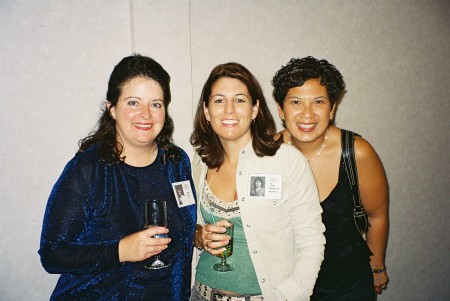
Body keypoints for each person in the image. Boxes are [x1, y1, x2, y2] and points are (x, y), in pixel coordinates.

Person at [38, 54, 196, 301]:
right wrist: (120, 251)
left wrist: (198, 235)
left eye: (156, 104)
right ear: (112, 108)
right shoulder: (88, 169)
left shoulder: (176, 162)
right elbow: (52, 254)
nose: (146, 114)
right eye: (133, 103)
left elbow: (181, 229)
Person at [189, 62, 325, 301]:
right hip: (202, 294)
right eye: (219, 100)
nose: (229, 110)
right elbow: (191, 228)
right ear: (207, 111)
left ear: (254, 109)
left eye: (240, 100)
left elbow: (312, 240)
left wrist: (289, 295)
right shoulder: (199, 162)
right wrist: (199, 235)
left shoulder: (287, 161)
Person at [272, 56, 389, 300]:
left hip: (348, 285)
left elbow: (376, 216)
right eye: (295, 102)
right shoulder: (267, 152)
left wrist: (377, 268)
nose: (307, 114)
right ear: (281, 109)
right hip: (288, 287)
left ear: (332, 108)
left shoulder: (356, 152)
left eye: (318, 102)